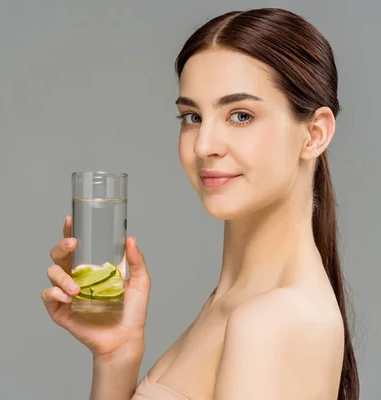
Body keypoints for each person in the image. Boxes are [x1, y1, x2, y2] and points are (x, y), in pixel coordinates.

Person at [41, 7, 359, 400]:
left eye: (240, 115)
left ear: (314, 134)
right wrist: (116, 356)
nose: (204, 144)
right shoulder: (232, 303)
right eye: (191, 117)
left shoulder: (275, 321)